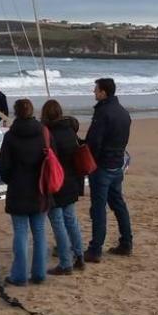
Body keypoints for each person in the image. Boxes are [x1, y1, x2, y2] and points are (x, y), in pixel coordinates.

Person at [0, 98, 48, 286]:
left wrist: (11, 179)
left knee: (21, 232)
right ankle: (39, 273)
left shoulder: (10, 136)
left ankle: (19, 275)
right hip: (39, 188)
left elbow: (4, 167)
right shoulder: (43, 133)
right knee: (39, 232)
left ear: (16, 112)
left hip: (19, 188)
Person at [84, 77, 133, 263]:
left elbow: (94, 141)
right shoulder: (123, 113)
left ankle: (95, 249)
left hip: (103, 165)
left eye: (96, 90)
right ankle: (126, 242)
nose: (94, 92)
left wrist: (89, 160)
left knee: (98, 208)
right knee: (118, 204)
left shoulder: (103, 113)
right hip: (116, 163)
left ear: (104, 92)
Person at [40, 99, 84, 274]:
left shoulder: (49, 134)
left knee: (58, 222)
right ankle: (79, 255)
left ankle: (66, 263)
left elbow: (47, 159)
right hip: (72, 181)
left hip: (57, 182)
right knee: (71, 219)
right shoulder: (70, 131)